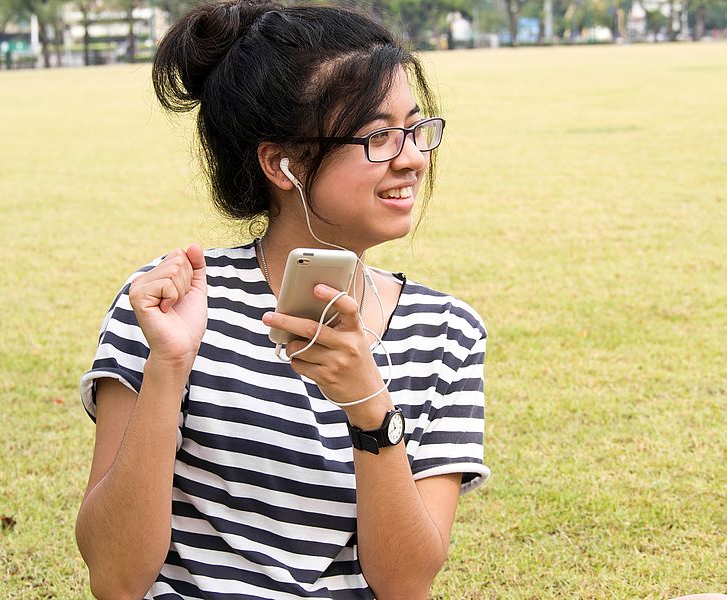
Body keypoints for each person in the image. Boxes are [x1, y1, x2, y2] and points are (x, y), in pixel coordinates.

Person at [74, 1, 489, 598]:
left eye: (417, 128)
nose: (413, 157)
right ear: (282, 163)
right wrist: (167, 366)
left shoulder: (448, 333)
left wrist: (369, 407)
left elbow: (405, 583)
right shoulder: (170, 304)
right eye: (377, 135)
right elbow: (115, 578)